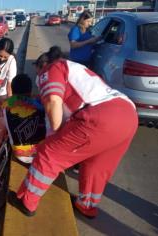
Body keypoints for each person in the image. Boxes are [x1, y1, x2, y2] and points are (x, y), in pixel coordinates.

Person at [8, 46, 138, 218]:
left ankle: (27, 201)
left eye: (38, 74)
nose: (40, 81)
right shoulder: (75, 70)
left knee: (49, 153)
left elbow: (54, 102)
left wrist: (56, 135)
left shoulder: (52, 68)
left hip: (100, 118)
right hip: (128, 114)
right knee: (96, 166)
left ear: (42, 65)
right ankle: (87, 206)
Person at [0, 74, 46, 164]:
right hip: (45, 152)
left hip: (22, 155)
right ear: (30, 89)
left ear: (12, 89)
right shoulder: (41, 101)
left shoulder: (4, 103)